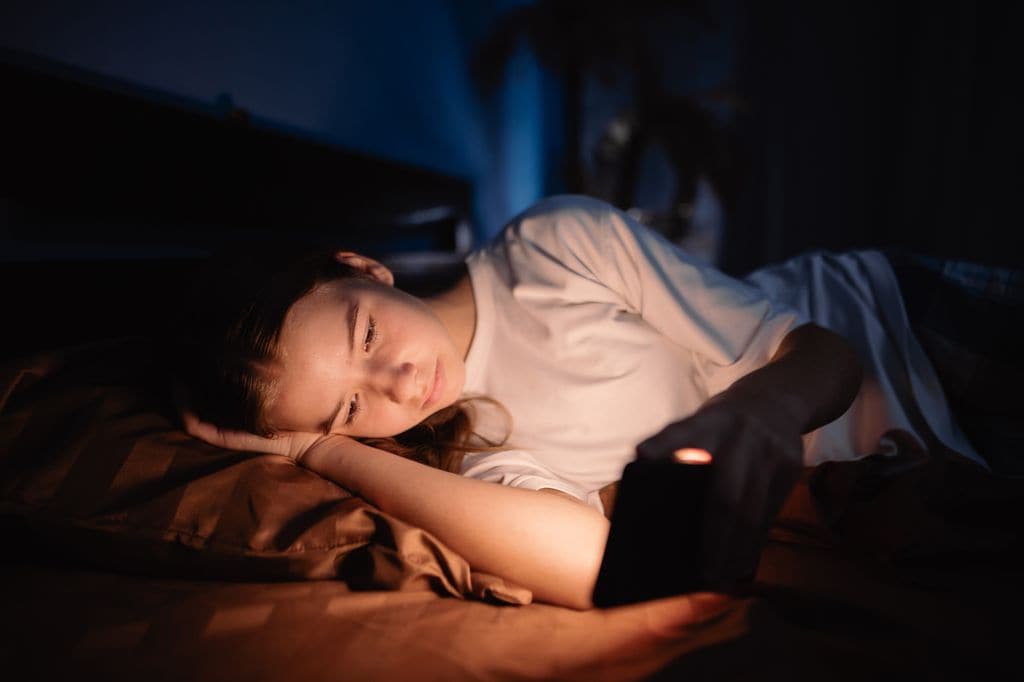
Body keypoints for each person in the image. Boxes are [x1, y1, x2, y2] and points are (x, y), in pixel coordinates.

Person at [177, 195, 1004, 610]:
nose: (395, 384)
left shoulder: (550, 247)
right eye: (347, 410)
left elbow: (826, 353)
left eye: (363, 338)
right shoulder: (466, 455)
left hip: (899, 320)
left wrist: (757, 413)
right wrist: (314, 452)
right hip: (918, 470)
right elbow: (595, 567)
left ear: (364, 268)